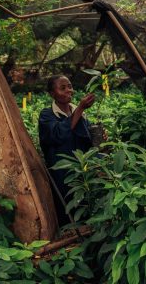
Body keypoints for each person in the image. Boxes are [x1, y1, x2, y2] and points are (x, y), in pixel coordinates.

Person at [38, 74, 95, 225]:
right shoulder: (47, 115)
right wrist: (81, 108)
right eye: (63, 88)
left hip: (82, 170)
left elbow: (88, 138)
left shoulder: (77, 112)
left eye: (69, 86)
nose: (69, 90)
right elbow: (58, 134)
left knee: (86, 205)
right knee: (68, 210)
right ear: (52, 94)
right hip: (62, 174)